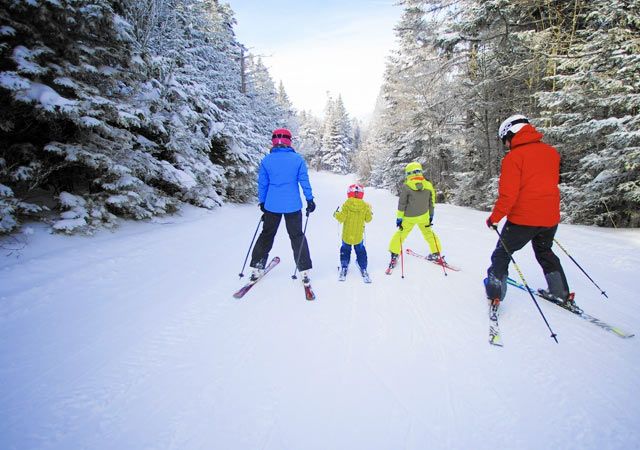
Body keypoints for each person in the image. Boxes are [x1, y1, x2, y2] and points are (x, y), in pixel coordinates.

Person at [484, 114, 573, 307]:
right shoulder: (551, 152)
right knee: (545, 251)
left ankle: (495, 292)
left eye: (505, 140)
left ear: (511, 134)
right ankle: (560, 293)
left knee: (502, 254)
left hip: (523, 220)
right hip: (549, 218)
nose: (506, 145)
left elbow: (508, 195)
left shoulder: (514, 158)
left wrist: (495, 218)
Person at [249, 128, 316, 285]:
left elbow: (262, 184)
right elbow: (304, 181)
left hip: (272, 205)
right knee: (297, 236)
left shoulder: (267, 160)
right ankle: (304, 270)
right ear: (289, 141)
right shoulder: (297, 159)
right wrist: (310, 199)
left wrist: (263, 202)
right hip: (293, 206)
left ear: (274, 141)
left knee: (266, 234)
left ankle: (257, 268)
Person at [387, 161, 442, 271]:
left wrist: (399, 218)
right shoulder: (428, 185)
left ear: (408, 174)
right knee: (429, 234)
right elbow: (431, 202)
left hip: (409, 218)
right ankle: (436, 253)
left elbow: (402, 204)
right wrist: (431, 215)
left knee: (400, 234)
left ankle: (394, 255)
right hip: (424, 216)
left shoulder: (407, 186)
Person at [334, 183, 373, 280]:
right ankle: (363, 267)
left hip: (347, 236)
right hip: (358, 236)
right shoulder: (365, 206)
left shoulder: (346, 205)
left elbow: (341, 218)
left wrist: (336, 214)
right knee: (360, 251)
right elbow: (368, 219)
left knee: (345, 250)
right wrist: (369, 211)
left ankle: (344, 266)